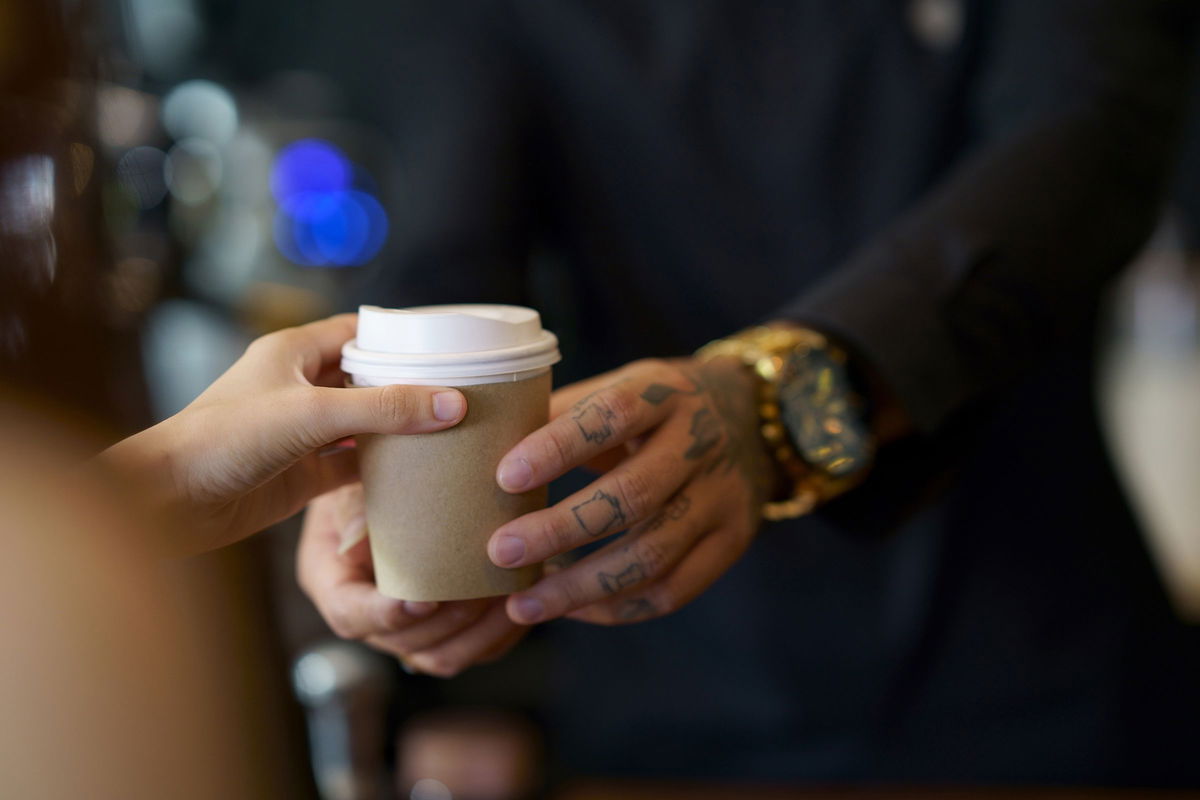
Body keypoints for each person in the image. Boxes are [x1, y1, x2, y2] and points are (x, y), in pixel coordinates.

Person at [295, 0, 1200, 786]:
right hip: (667, 673)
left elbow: (1087, 141)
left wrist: (778, 405)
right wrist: (393, 520)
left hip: (1036, 662)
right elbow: (447, 255)